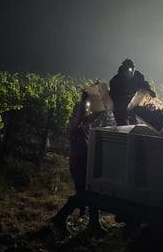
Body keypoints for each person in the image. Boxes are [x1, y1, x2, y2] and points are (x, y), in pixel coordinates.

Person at [51, 90, 116, 238]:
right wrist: (87, 97)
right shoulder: (76, 126)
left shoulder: (86, 125)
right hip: (78, 164)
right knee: (84, 195)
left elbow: (94, 115)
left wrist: (104, 100)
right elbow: (81, 114)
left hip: (85, 163)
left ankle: (94, 223)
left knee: (91, 193)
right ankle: (60, 218)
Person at [109, 58, 155, 125]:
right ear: (124, 71)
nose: (130, 74)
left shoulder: (138, 76)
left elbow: (144, 85)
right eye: (128, 72)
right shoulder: (115, 81)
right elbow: (115, 98)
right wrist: (124, 109)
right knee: (123, 126)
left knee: (135, 126)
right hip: (120, 107)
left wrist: (150, 91)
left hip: (133, 105)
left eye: (132, 71)